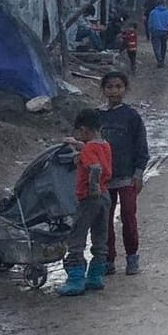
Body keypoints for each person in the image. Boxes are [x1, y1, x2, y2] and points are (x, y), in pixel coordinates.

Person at [96, 71, 149, 277]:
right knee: (104, 220)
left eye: (118, 86)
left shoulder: (132, 116)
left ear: (125, 89)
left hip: (127, 177)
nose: (114, 91)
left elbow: (141, 147)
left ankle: (132, 256)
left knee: (128, 216)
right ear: (103, 90)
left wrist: (139, 173)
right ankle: (107, 259)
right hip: (103, 179)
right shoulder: (97, 116)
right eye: (109, 86)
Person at [57, 108, 112, 296]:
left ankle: (76, 279)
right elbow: (95, 155)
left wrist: (92, 186)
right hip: (105, 196)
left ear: (84, 130)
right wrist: (78, 146)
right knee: (100, 236)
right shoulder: (104, 145)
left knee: (77, 237)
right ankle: (96, 276)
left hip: (90, 196)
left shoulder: (89, 149)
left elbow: (94, 167)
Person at [147, 0, 168, 68]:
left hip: (155, 31)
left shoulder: (153, 12)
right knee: (163, 46)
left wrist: (150, 30)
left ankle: (159, 58)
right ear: (164, 4)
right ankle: (162, 59)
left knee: (156, 47)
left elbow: (150, 23)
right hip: (165, 32)